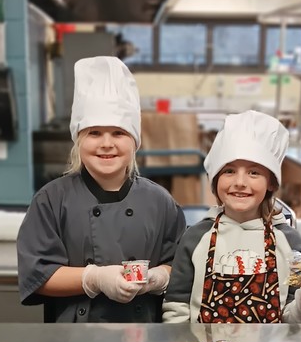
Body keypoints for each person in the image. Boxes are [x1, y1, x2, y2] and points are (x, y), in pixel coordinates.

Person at [18, 57, 186, 322]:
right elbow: (37, 275)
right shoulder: (51, 199)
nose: (106, 144)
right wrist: (93, 278)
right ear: (78, 140)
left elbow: (179, 265)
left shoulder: (160, 202)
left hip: (142, 335)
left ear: (134, 142)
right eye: (94, 133)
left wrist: (158, 278)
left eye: (118, 133)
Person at [163, 110, 301, 325]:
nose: (240, 182)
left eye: (254, 172)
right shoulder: (196, 237)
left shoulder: (290, 243)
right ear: (215, 180)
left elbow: (296, 324)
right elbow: (177, 306)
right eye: (229, 171)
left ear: (271, 183)